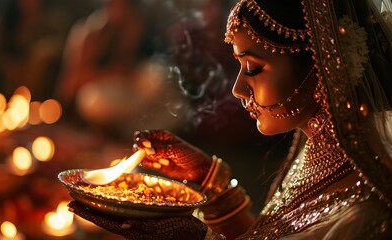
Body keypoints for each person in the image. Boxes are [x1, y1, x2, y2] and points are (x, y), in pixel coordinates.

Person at [67, 0, 392, 239]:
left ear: (323, 65)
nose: (237, 88)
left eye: (252, 68)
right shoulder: (322, 151)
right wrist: (208, 177)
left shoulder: (365, 216)